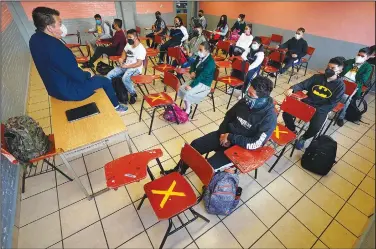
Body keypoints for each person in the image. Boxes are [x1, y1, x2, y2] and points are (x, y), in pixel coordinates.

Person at [166, 76, 277, 174]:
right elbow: (228, 116)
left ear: (262, 99)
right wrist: (223, 133)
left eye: (250, 94)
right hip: (225, 135)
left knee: (209, 167)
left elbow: (256, 143)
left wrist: (231, 137)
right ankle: (179, 170)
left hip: (240, 147)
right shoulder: (245, 102)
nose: (246, 95)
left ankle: (210, 187)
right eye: (248, 91)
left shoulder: (269, 117)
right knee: (195, 145)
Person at [29, 7, 127, 113]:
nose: (62, 26)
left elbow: (59, 65)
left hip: (53, 88)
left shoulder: (34, 39)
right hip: (69, 91)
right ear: (49, 28)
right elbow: (77, 76)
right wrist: (87, 74)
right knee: (104, 81)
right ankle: (116, 107)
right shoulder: (56, 47)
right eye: (59, 23)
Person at [283, 57, 345, 149]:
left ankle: (304, 137)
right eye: (328, 66)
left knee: (315, 128)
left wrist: (316, 110)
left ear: (339, 71)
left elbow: (332, 103)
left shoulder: (340, 86)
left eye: (333, 68)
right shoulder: (317, 77)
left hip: (321, 109)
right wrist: (292, 89)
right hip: (308, 102)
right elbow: (302, 84)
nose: (329, 69)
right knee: (286, 112)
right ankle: (292, 130)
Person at [106, 29, 146, 104]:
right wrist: (121, 58)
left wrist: (126, 66)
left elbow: (139, 63)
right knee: (109, 75)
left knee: (125, 78)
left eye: (130, 37)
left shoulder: (141, 49)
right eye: (127, 37)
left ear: (136, 37)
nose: (128, 39)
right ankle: (113, 93)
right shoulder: (129, 44)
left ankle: (133, 94)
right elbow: (124, 52)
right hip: (126, 65)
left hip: (135, 68)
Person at [336, 47, 373, 126]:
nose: (359, 57)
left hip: (354, 85)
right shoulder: (350, 62)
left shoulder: (368, 67)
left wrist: (357, 68)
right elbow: (340, 71)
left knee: (346, 98)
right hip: (342, 81)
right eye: (358, 55)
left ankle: (340, 117)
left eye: (362, 56)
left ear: (367, 58)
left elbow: (362, 81)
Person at [178, 41, 215, 115]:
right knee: (181, 89)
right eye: (199, 49)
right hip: (197, 79)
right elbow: (193, 65)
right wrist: (192, 71)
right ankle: (188, 106)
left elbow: (202, 76)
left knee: (187, 92)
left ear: (207, 51)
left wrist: (191, 86)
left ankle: (188, 110)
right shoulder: (200, 56)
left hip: (204, 83)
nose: (198, 52)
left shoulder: (210, 63)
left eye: (201, 50)